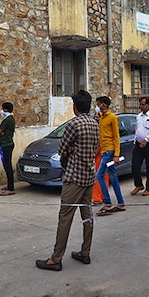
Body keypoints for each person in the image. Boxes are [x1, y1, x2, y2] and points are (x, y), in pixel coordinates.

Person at [36, 90, 99, 271]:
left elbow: (62, 149)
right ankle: (85, 252)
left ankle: (56, 259)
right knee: (87, 216)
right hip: (89, 176)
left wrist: (72, 149)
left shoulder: (74, 124)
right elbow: (95, 148)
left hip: (74, 177)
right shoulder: (95, 123)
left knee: (65, 218)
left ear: (75, 107)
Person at [96, 96, 126, 215]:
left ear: (103, 105)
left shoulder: (113, 118)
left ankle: (108, 203)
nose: (96, 106)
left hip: (110, 151)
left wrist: (116, 154)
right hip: (104, 150)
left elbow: (116, 137)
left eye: (98, 104)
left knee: (99, 175)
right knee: (113, 177)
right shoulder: (101, 118)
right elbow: (101, 137)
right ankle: (121, 203)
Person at [0, 102, 16, 195]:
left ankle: (11, 188)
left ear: (6, 109)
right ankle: (9, 185)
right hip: (9, 144)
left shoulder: (7, 120)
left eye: (3, 109)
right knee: (7, 165)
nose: (2, 111)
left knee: (7, 165)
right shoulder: (11, 119)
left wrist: (1, 132)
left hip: (6, 145)